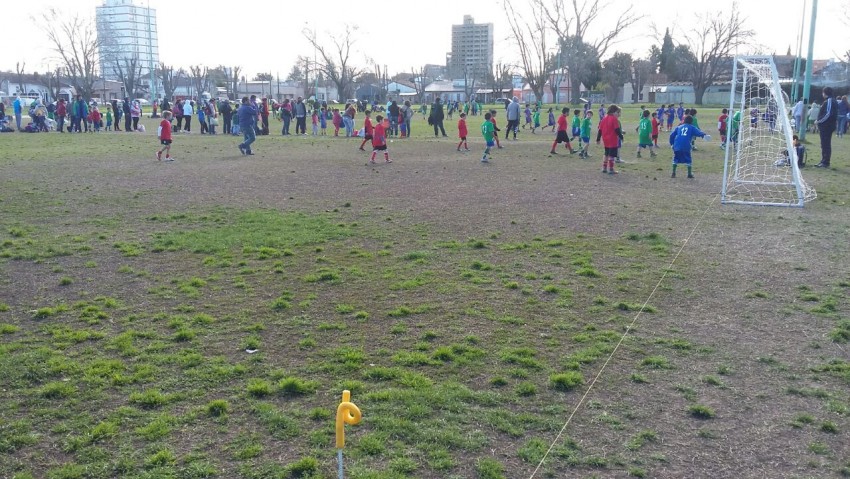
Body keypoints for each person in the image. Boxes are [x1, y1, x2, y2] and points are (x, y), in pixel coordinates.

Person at [596, 104, 623, 174]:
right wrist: (621, 136)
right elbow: (617, 129)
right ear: (613, 112)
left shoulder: (604, 118)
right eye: (618, 112)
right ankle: (611, 169)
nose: (619, 114)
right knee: (612, 155)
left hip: (606, 140)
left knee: (606, 153)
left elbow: (600, 130)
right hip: (613, 140)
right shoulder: (614, 119)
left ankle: (604, 168)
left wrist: (598, 139)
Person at [815, 87, 837, 168]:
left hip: (827, 126)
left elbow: (828, 114)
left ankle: (825, 162)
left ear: (825, 93)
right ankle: (824, 160)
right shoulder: (831, 101)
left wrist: (819, 121)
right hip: (827, 126)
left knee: (825, 144)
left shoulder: (830, 101)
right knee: (824, 144)